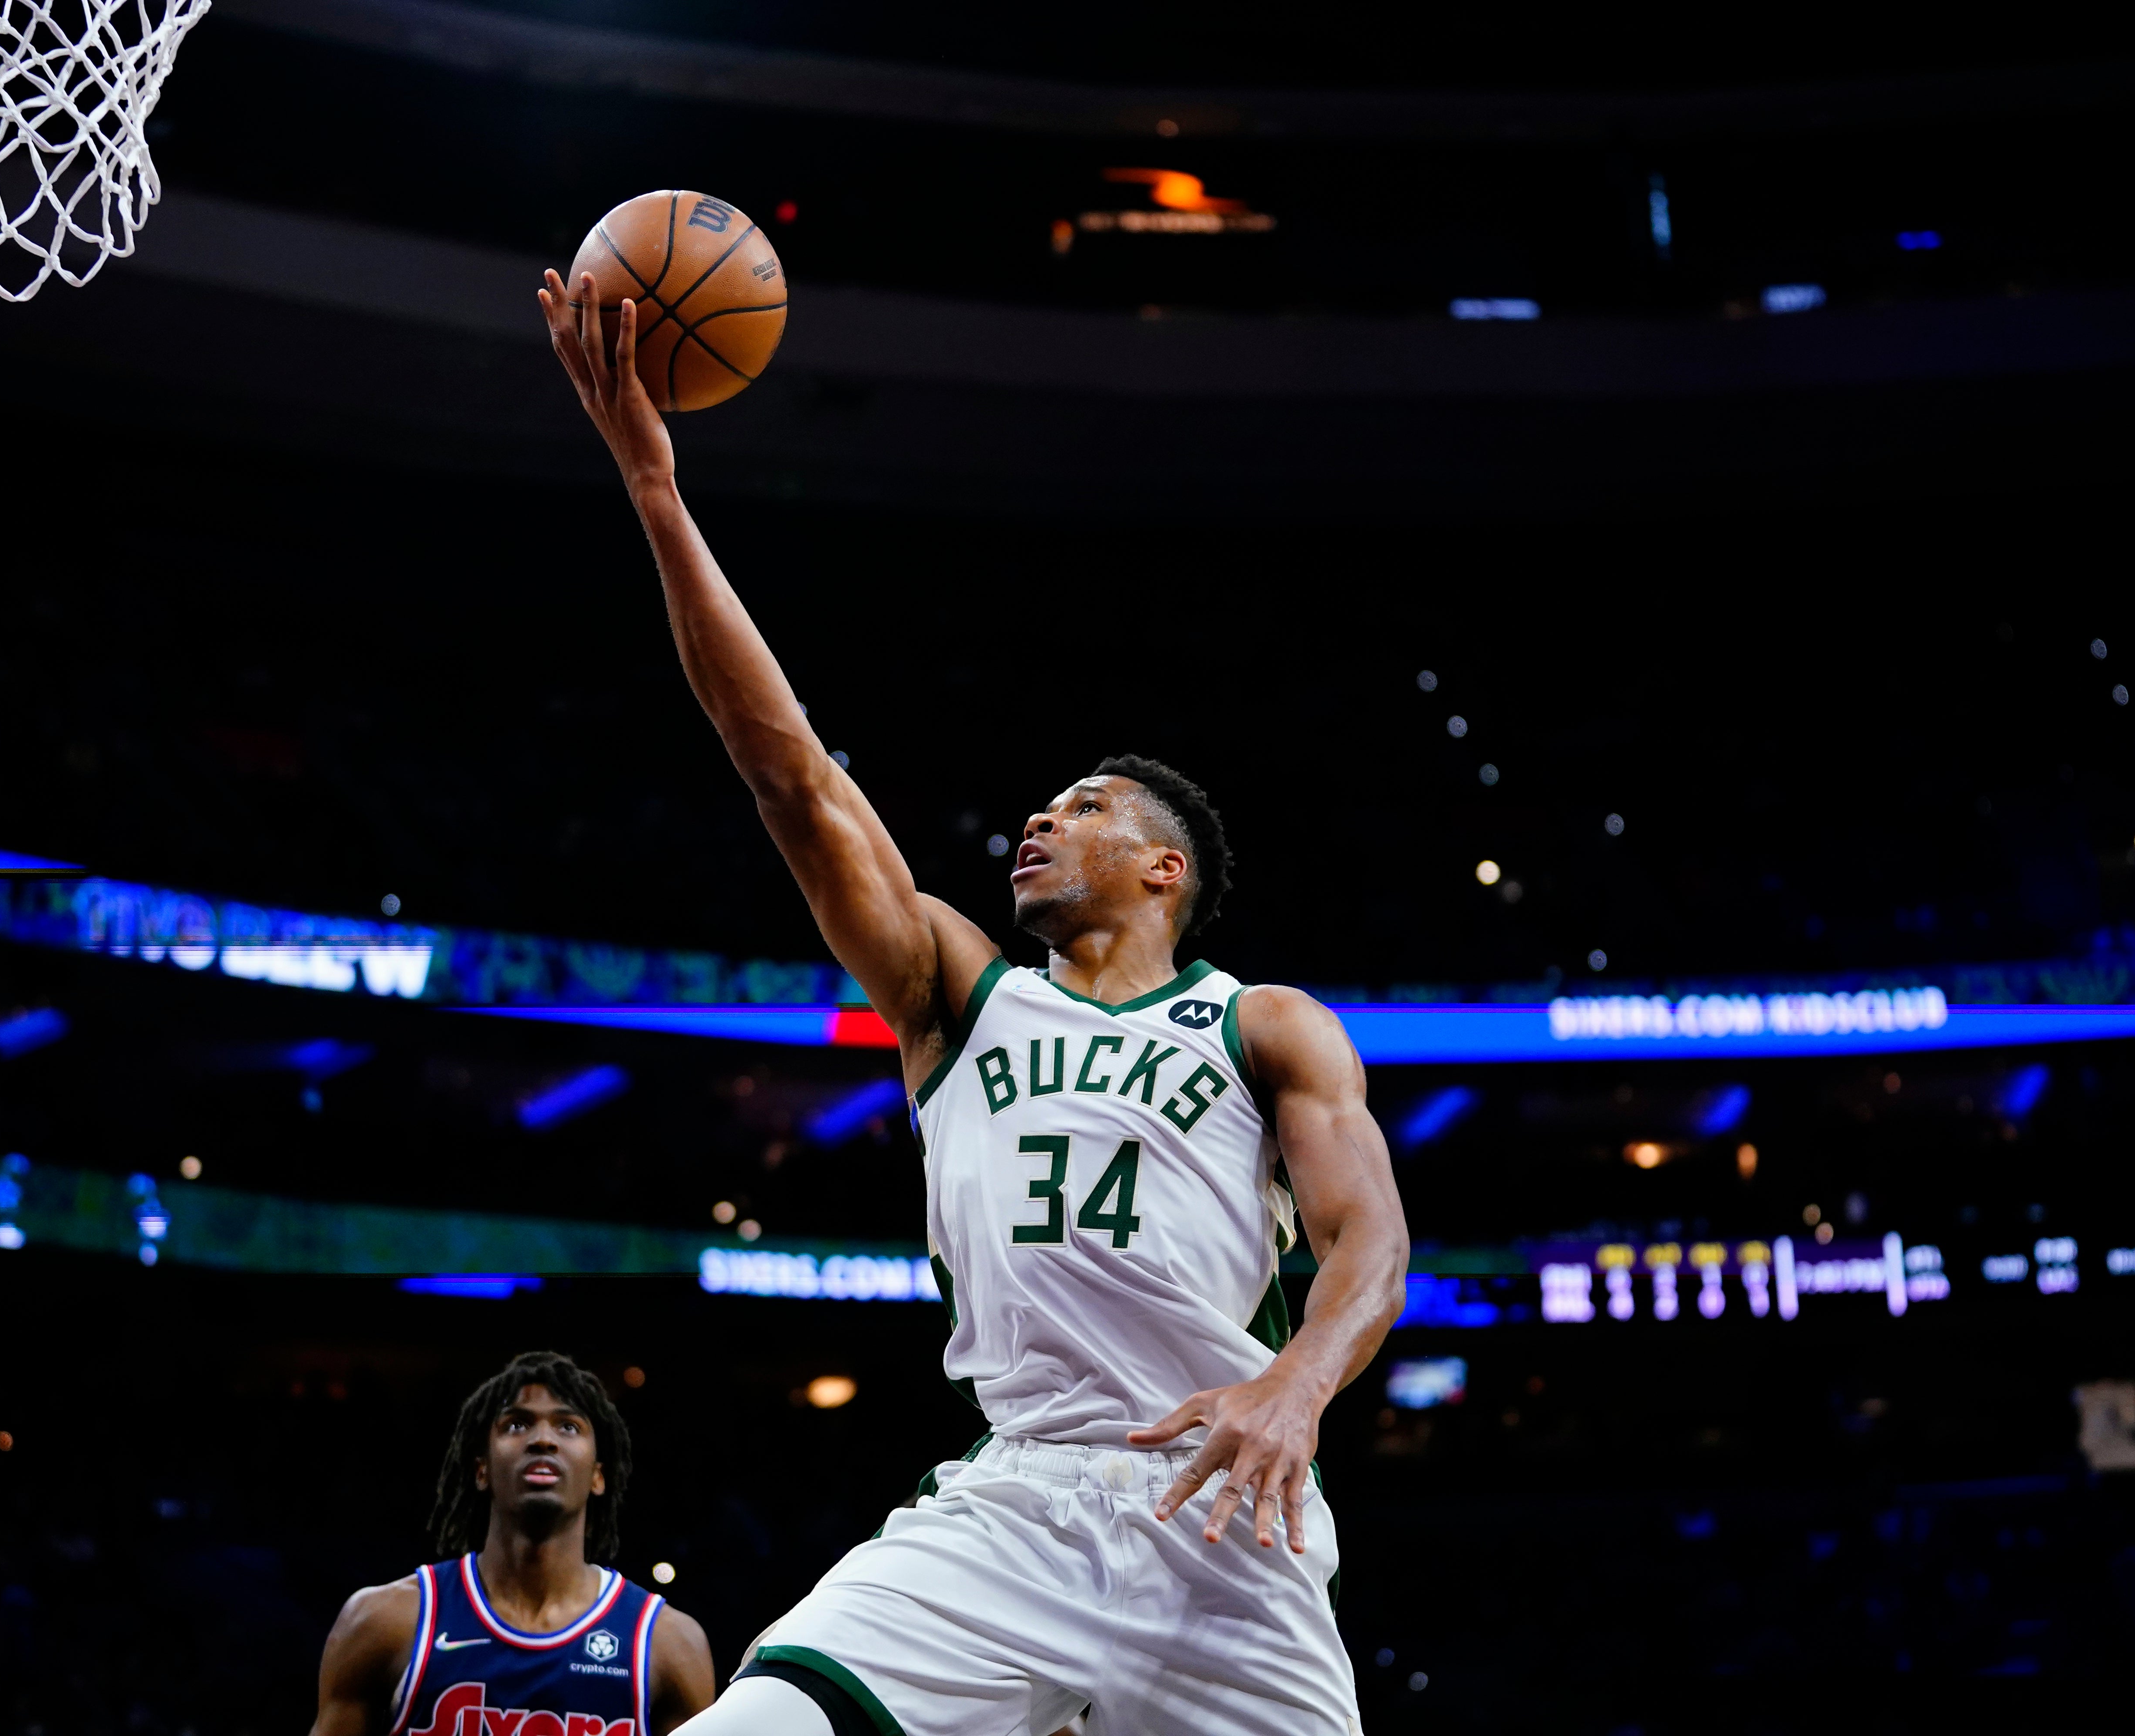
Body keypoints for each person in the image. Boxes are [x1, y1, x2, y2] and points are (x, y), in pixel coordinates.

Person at [534, 273, 1413, 1736]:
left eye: (1083, 808)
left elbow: (1369, 1241)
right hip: (1012, 1507)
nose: (1040, 821)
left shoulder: (1262, 1026)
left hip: (1224, 1511)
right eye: (1041, 804)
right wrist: (652, 485)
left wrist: (1299, 1389)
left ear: (1163, 864)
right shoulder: (959, 994)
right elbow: (794, 776)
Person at [310, 1351, 716, 1736]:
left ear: (598, 1476)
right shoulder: (385, 1620)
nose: (543, 1441)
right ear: (482, 1470)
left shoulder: (668, 1643)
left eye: (569, 1426)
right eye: (517, 1424)